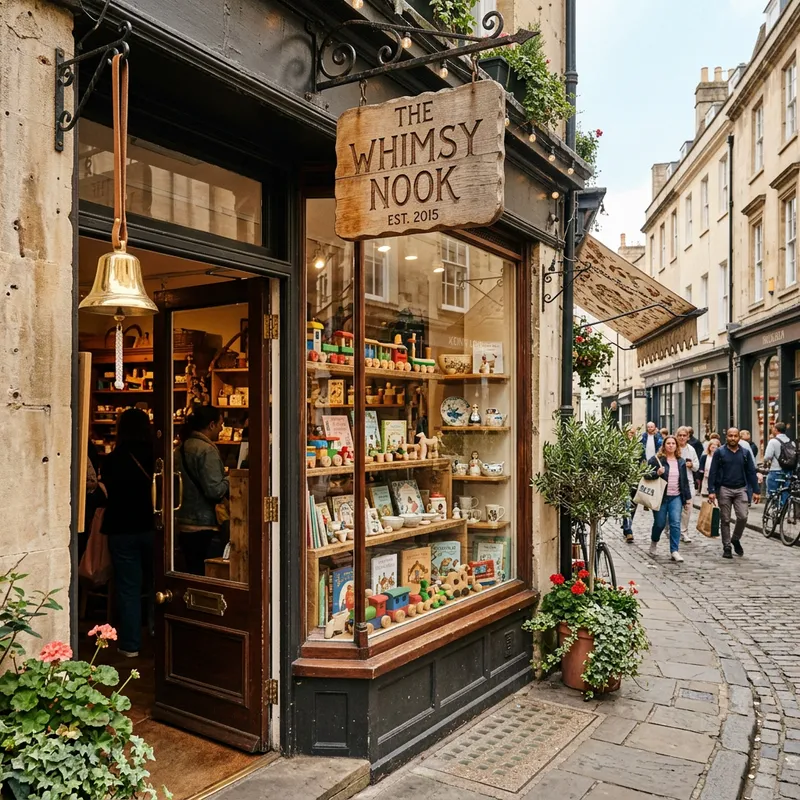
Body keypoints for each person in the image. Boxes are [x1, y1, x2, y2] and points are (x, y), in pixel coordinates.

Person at [100, 408, 155, 658]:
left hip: (121, 527)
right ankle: (159, 635)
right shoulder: (156, 457)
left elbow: (109, 490)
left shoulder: (112, 459)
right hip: (152, 525)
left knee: (128, 586)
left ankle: (130, 644)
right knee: (160, 583)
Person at [175, 404, 230, 575]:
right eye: (220, 424)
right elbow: (215, 491)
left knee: (192, 573)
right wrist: (230, 478)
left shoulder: (180, 449)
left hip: (183, 521)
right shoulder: (207, 450)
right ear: (211, 425)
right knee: (207, 576)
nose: (222, 429)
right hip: (205, 525)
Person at [708, 427, 760, 559]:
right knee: (725, 519)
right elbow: (713, 471)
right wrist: (711, 490)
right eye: (730, 436)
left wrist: (756, 490)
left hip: (741, 488)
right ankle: (727, 546)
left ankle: (735, 539)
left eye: (735, 436)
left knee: (742, 517)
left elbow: (751, 472)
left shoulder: (745, 453)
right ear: (727, 437)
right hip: (724, 488)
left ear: (739, 437)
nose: (732, 438)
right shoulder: (720, 452)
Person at [646, 435, 692, 562]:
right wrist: (657, 473)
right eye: (668, 443)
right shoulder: (656, 460)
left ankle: (674, 551)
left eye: (673, 443)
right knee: (659, 523)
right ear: (664, 445)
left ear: (676, 446)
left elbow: (684, 482)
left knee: (675, 523)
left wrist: (687, 499)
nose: (671, 445)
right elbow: (645, 475)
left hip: (676, 496)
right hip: (661, 497)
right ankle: (654, 541)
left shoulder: (681, 461)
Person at [762, 422, 795, 508]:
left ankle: (774, 509)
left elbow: (767, 457)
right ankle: (782, 511)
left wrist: (765, 462)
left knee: (772, 492)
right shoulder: (792, 442)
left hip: (776, 470)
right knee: (785, 492)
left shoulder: (773, 441)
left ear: (776, 430)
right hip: (788, 471)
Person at [675, 426, 699, 542]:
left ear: (688, 437)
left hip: (688, 482)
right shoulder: (673, 447)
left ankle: (684, 531)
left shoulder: (691, 449)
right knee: (675, 509)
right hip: (674, 482)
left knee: (687, 508)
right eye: (680, 435)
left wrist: (691, 465)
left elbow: (697, 466)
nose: (682, 438)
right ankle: (673, 529)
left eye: (684, 435)